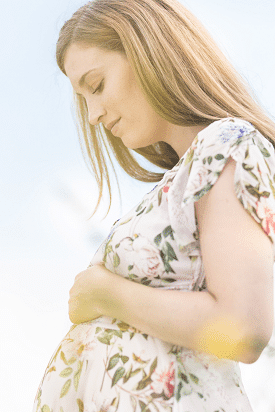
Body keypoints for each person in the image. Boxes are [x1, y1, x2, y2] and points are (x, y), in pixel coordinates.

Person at [33, 0, 275, 411]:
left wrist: (108, 294)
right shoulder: (181, 180)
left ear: (149, 53)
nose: (92, 115)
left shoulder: (226, 145)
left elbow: (242, 332)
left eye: (96, 85)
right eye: (82, 98)